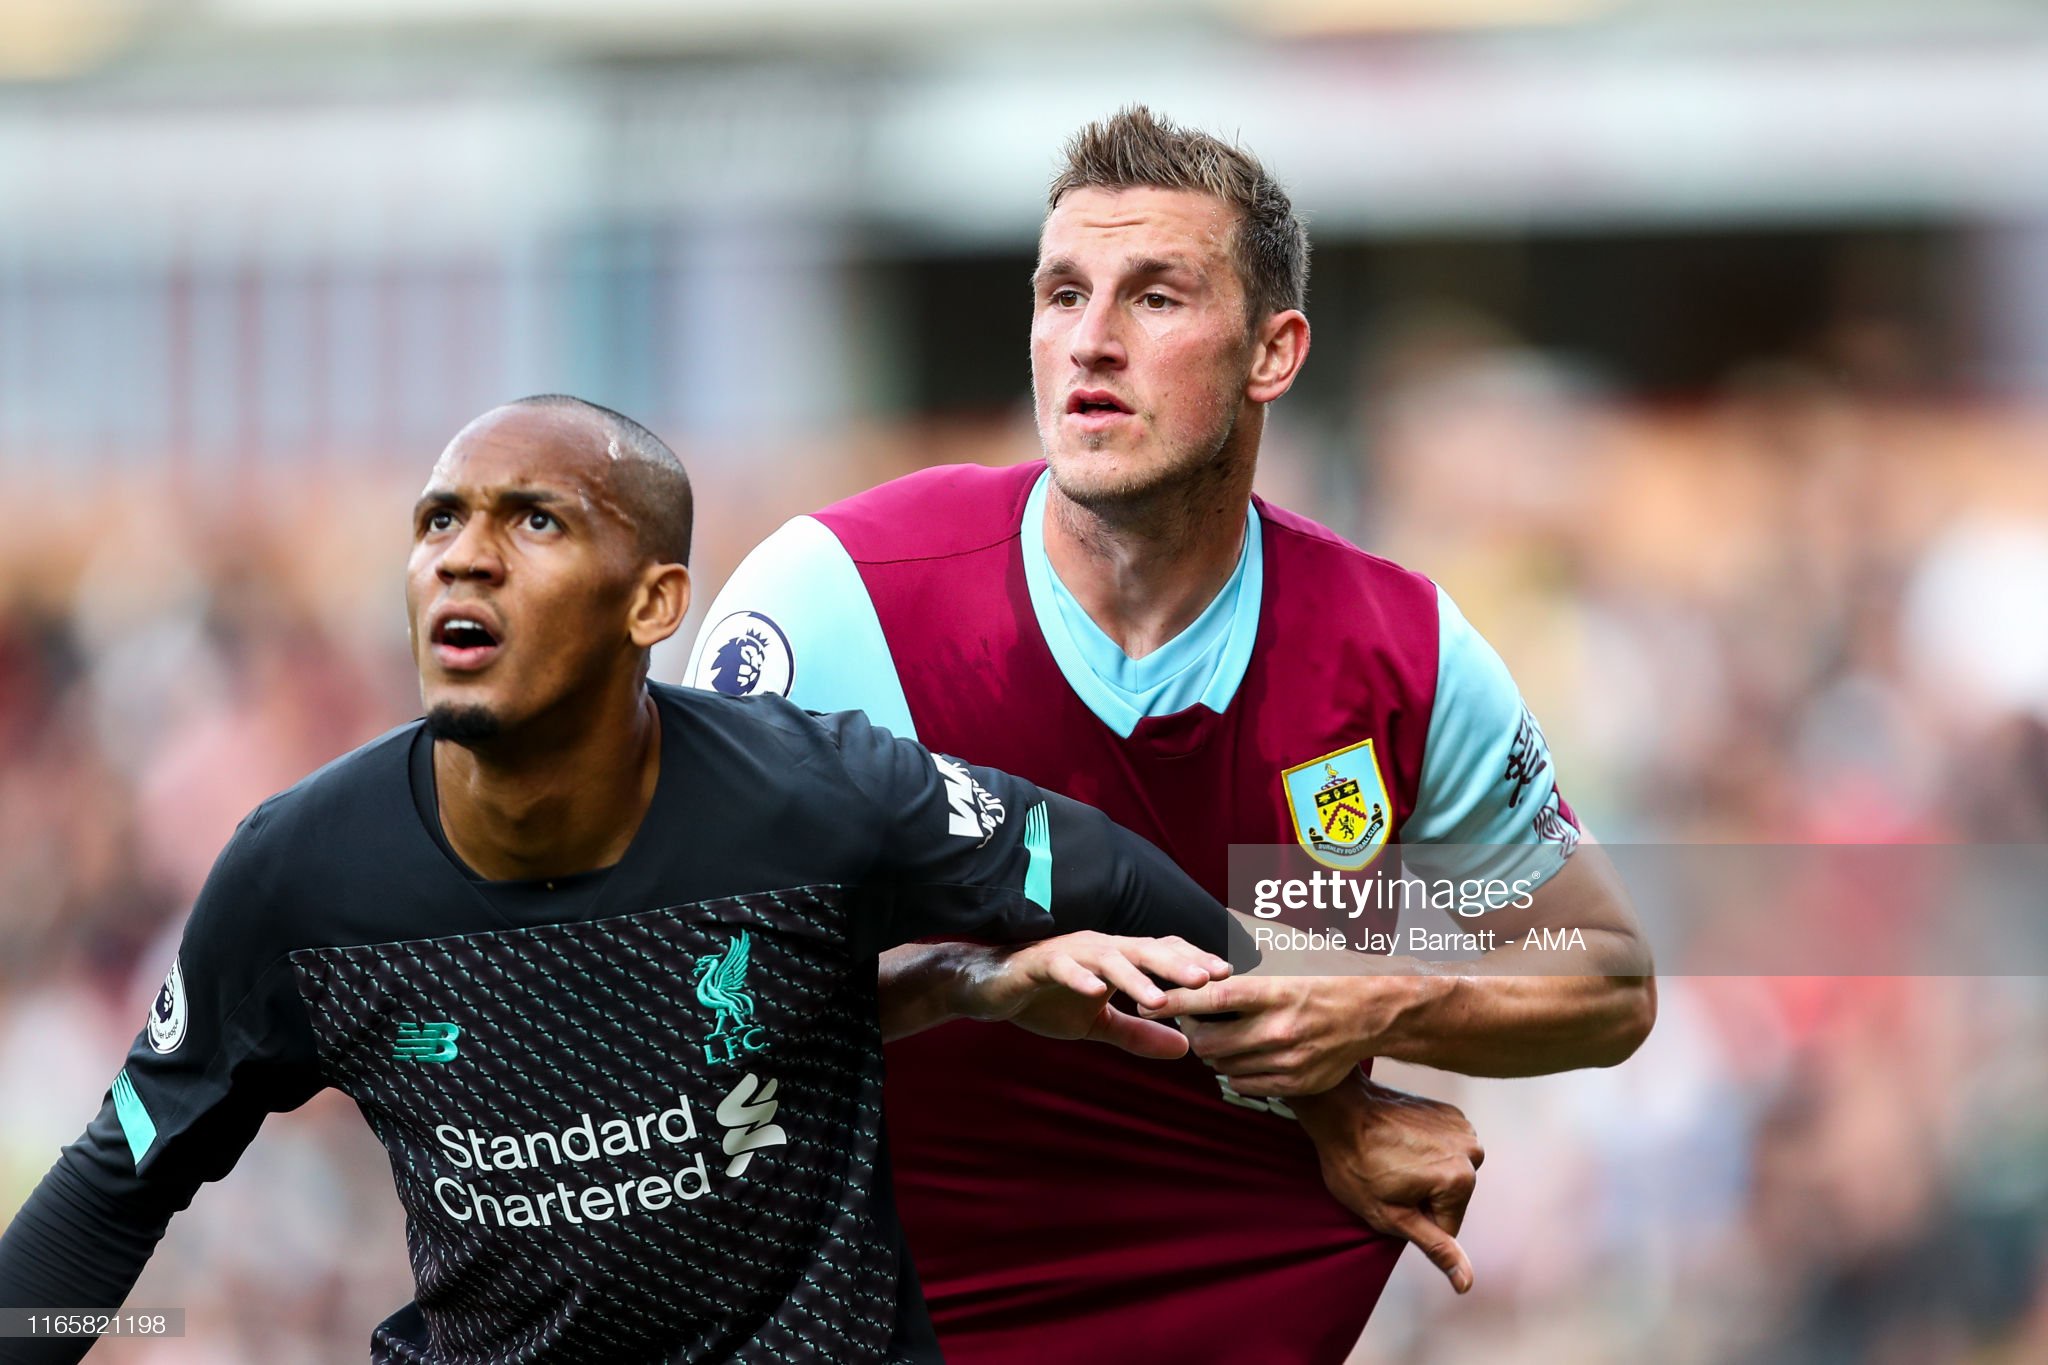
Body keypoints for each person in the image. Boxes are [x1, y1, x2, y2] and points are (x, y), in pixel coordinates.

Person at [0, 395, 1255, 1365]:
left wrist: (1329, 1095)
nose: (463, 557)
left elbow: (1108, 875)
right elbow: (116, 1185)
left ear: (655, 603)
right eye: (438, 521)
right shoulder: (300, 875)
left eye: (533, 522)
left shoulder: (815, 799)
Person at [688, 108, 1657, 1363]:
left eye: (1153, 298)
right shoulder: (833, 600)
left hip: (1236, 1312)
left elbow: (1607, 985)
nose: (1090, 341)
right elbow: (675, 1004)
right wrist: (973, 981)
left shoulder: (1402, 651)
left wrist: (1380, 1009)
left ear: (1272, 352)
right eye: (1062, 294)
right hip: (880, 1311)